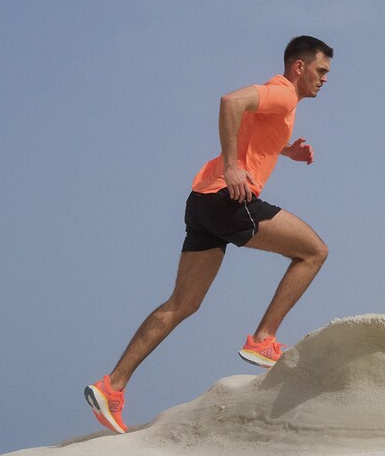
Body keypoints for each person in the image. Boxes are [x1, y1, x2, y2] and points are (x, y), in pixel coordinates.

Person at [83, 35, 334, 433]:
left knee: (182, 304)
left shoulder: (281, 104)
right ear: (299, 67)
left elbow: (253, 126)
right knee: (313, 252)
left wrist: (284, 150)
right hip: (228, 198)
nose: (325, 80)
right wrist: (234, 167)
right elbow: (230, 102)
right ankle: (264, 338)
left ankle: (111, 386)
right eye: (321, 71)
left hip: (202, 202)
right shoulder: (283, 93)